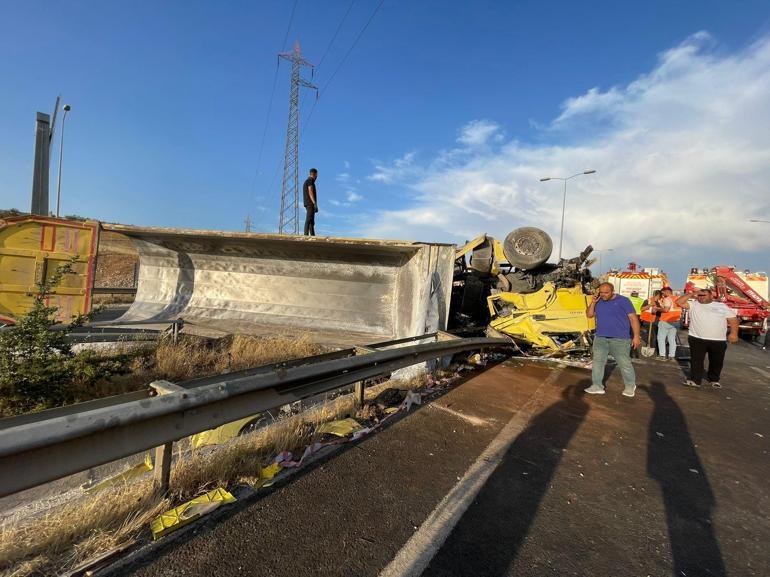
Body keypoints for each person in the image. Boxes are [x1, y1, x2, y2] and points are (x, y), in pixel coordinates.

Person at [585, 282, 641, 397]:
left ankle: (630, 386)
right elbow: (589, 315)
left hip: (620, 339)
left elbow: (633, 319)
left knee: (624, 363)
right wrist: (593, 303)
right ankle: (597, 386)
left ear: (612, 291)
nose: (603, 295)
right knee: (598, 363)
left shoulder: (623, 301)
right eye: (601, 292)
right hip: (600, 338)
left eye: (606, 293)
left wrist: (636, 336)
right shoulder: (598, 301)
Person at [676, 289, 739, 388]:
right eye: (699, 295)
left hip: (718, 340)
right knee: (696, 360)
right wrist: (692, 293)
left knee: (716, 361)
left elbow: (733, 320)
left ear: (711, 296)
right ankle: (695, 380)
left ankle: (714, 379)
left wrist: (734, 333)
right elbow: (679, 302)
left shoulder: (721, 306)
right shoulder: (694, 305)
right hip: (697, 338)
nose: (701, 297)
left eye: (704, 295)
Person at [656, 287, 680, 361]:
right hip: (675, 322)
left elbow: (666, 309)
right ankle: (671, 356)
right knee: (672, 339)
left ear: (665, 292)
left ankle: (662, 356)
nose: (662, 295)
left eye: (662, 293)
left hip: (666, 321)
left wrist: (658, 309)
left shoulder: (667, 299)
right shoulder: (678, 299)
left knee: (661, 338)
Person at [641, 290, 663, 354]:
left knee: (655, 335)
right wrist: (650, 305)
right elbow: (642, 309)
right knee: (651, 335)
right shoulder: (648, 301)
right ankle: (650, 348)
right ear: (658, 295)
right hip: (648, 320)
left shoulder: (660, 302)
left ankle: (652, 347)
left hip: (657, 321)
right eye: (660, 296)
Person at [303, 168, 318, 236]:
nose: (316, 177)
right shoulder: (310, 181)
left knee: (311, 221)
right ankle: (305, 235)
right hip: (310, 203)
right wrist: (314, 203)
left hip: (308, 203)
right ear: (314, 174)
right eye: (316, 175)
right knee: (308, 220)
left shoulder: (308, 181)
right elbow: (310, 191)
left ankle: (313, 236)